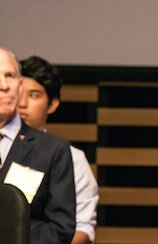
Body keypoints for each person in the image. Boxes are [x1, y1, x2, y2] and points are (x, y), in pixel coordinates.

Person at [19, 55, 99, 244]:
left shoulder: (71, 158)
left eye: (34, 95)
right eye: (19, 93)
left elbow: (83, 227)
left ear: (52, 104)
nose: (22, 103)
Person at [0, 47, 76, 244]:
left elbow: (61, 228)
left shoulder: (51, 150)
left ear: (20, 83)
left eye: (10, 75)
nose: (3, 85)